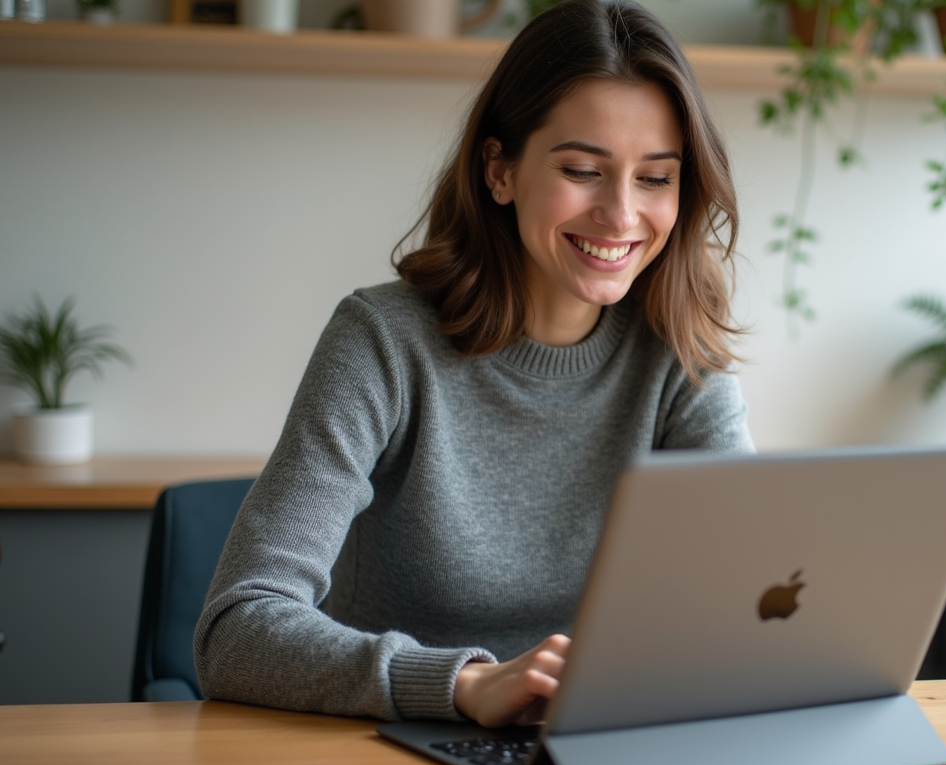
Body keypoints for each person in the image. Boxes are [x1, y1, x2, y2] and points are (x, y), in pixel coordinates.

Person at [194, 0, 754, 727]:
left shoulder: (680, 351)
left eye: (655, 179)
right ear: (499, 170)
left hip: (601, 739)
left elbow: (744, 597)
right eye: (583, 169)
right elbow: (235, 629)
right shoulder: (383, 341)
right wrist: (463, 684)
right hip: (397, 747)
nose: (621, 214)